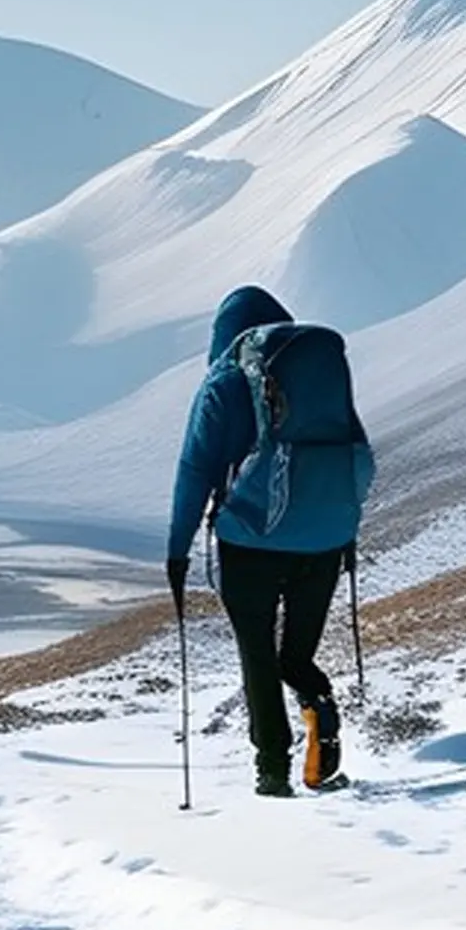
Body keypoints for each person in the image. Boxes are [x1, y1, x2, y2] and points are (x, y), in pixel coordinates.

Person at [166, 287, 371, 798]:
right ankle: (318, 727)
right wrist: (345, 532)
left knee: (257, 654)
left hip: (249, 541)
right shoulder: (314, 374)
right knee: (295, 656)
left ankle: (272, 769)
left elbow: (195, 470)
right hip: (324, 541)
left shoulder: (223, 380)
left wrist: (177, 549)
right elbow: (354, 456)